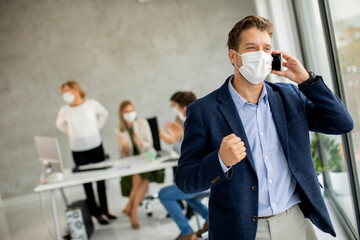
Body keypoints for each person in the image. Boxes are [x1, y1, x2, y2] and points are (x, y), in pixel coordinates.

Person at [175, 15, 354, 240]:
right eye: (252, 48)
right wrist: (220, 161)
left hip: (294, 220)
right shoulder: (203, 111)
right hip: (239, 229)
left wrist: (306, 80)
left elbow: (342, 123)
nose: (260, 54)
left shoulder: (290, 96)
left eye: (266, 48)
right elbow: (184, 180)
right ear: (233, 56)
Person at [56, 81, 116, 225]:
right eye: (63, 92)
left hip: (96, 145)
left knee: (101, 179)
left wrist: (97, 127)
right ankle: (96, 213)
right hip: (77, 149)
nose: (65, 95)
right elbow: (59, 125)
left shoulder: (91, 104)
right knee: (87, 182)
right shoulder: (64, 110)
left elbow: (104, 113)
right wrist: (72, 134)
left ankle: (105, 210)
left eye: (67, 91)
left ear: (75, 90)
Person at [159, 92, 209, 240]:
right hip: (202, 177)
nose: (173, 110)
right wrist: (179, 137)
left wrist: (171, 141)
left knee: (164, 194)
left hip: (205, 179)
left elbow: (192, 153)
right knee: (186, 192)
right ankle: (210, 219)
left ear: (185, 107)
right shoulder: (198, 120)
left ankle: (187, 233)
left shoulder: (198, 123)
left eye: (174, 107)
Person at [114, 100, 164, 229]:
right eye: (126, 112)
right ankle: (132, 209)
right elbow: (123, 155)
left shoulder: (142, 123)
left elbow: (150, 145)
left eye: (131, 110)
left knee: (142, 174)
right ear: (121, 114)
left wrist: (140, 142)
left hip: (147, 158)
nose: (130, 113)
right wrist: (124, 147)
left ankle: (132, 208)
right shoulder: (118, 130)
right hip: (132, 162)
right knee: (142, 177)